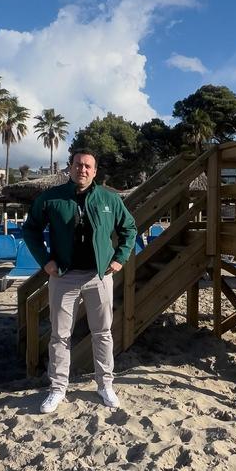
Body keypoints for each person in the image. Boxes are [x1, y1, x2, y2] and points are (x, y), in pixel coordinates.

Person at [21, 149, 137, 413]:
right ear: (70, 168)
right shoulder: (51, 198)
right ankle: (58, 388)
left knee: (103, 333)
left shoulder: (109, 199)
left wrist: (119, 258)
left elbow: (129, 228)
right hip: (63, 277)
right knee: (59, 335)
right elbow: (31, 229)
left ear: (95, 172)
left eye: (87, 166)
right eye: (77, 165)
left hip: (99, 276)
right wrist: (46, 261)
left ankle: (105, 384)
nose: (82, 169)